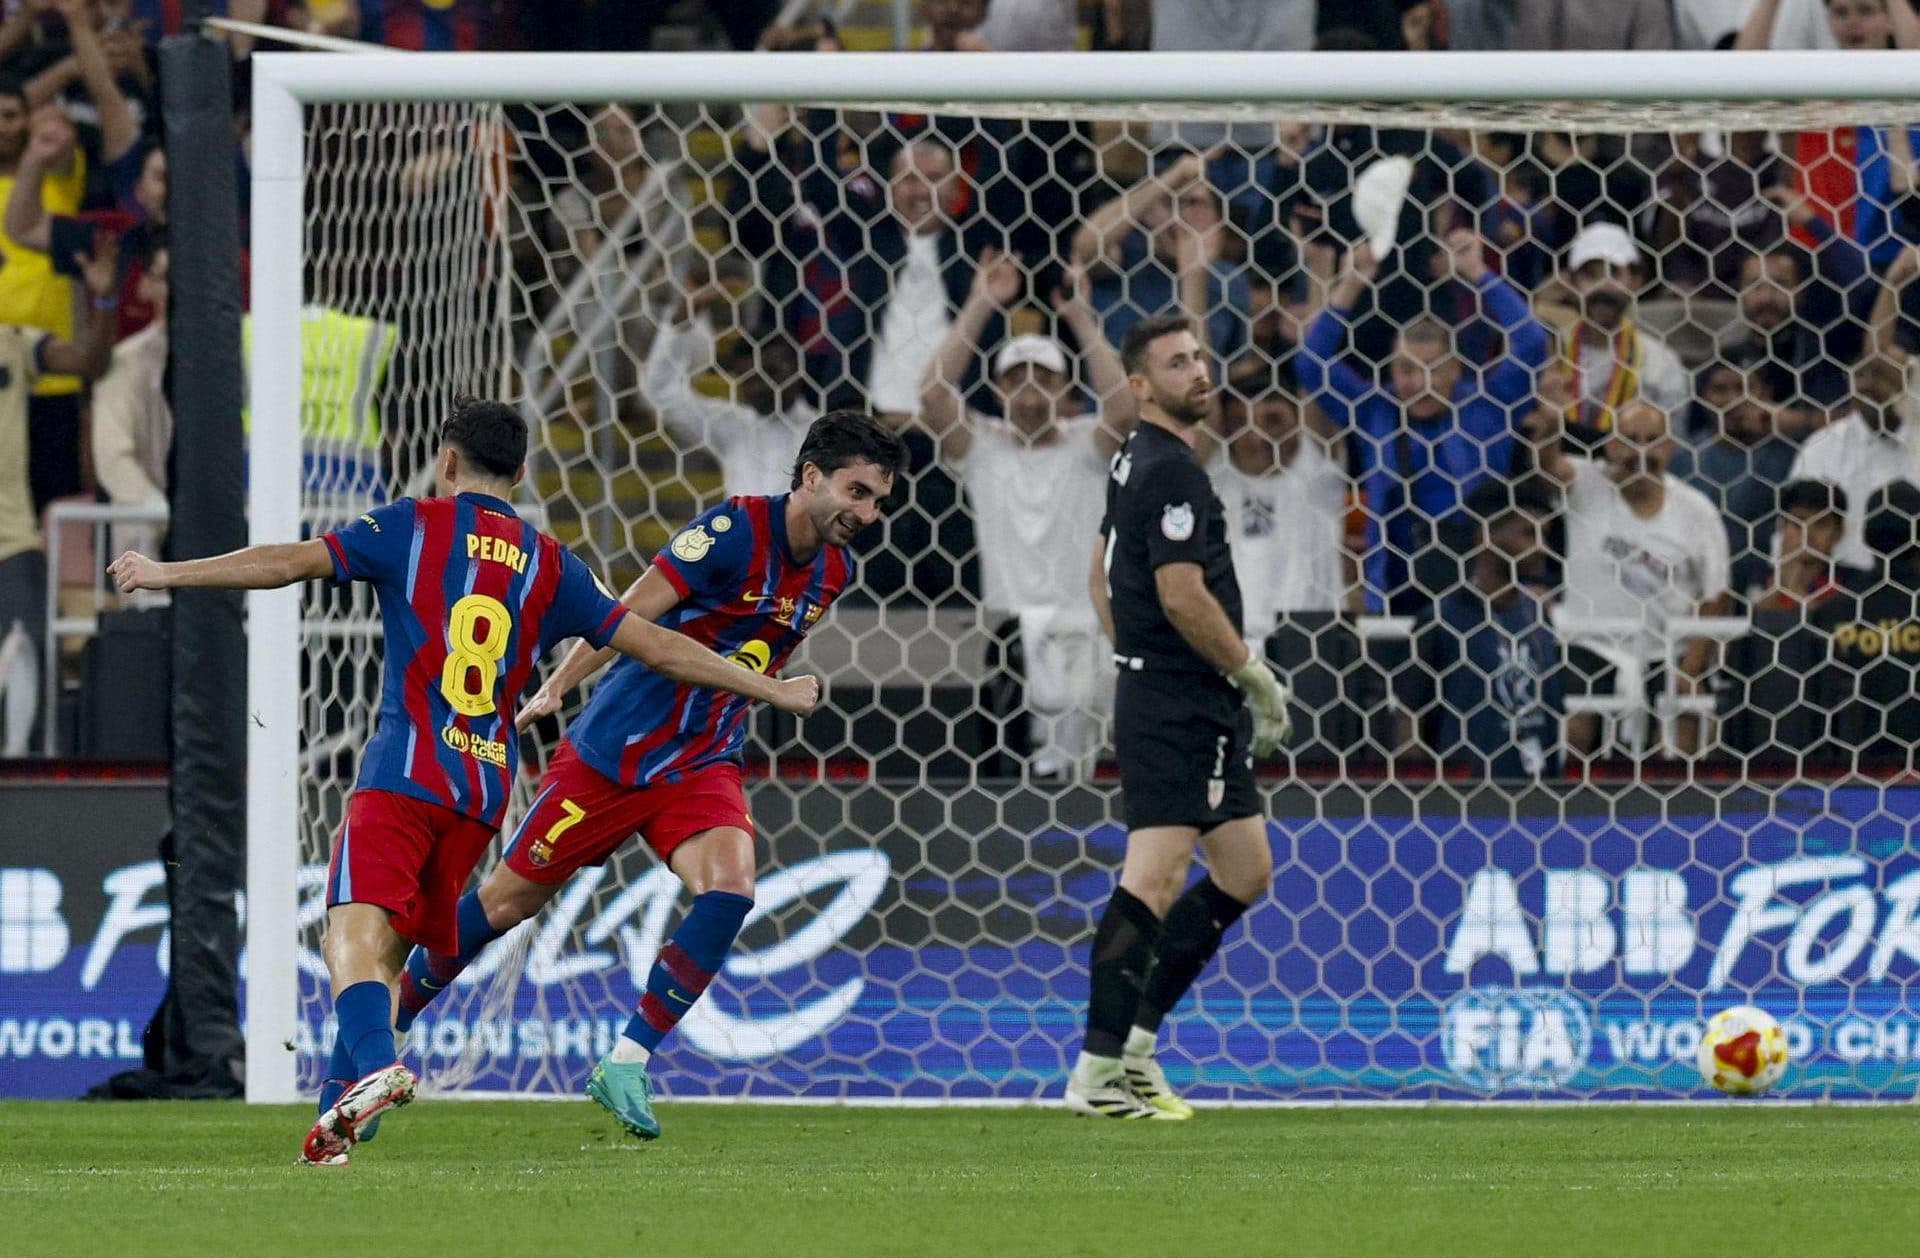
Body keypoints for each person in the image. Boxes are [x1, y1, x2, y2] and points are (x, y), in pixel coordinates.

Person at [105, 398, 822, 1163]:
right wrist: (773, 690)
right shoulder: (553, 562)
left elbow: (285, 563)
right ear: (520, 473)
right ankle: (332, 1134)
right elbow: (656, 646)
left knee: (349, 932)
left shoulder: (410, 525)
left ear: (447, 463)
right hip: (482, 794)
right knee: (386, 958)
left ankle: (379, 1071)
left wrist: (166, 572)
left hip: (405, 772)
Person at [387, 411, 906, 1143]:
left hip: (701, 761)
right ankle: (391, 1019)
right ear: (811, 476)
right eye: (857, 492)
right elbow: (625, 614)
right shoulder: (732, 532)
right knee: (504, 904)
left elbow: (751, 649)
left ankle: (626, 1061)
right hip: (615, 755)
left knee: (731, 890)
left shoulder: (832, 572)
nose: (866, 513)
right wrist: (559, 685)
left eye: (878, 501)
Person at [1066, 312, 1293, 1120]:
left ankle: (1132, 1049)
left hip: (1186, 696)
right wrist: (1249, 672)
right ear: (1139, 384)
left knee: (1245, 870)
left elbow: (1100, 577)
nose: (1198, 371)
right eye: (1175, 363)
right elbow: (1180, 591)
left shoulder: (1138, 460)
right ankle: (1096, 1072)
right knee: (1153, 877)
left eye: (1198, 357)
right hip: (1180, 702)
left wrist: (1136, 657)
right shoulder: (1170, 473)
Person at [917, 253, 1137, 775]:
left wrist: (1081, 319)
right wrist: (980, 304)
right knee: (1011, 775)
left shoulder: (1087, 444)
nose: (1031, 390)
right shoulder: (983, 448)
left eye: (1045, 379)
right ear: (998, 390)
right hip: (1007, 636)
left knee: (1082, 772)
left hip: (1084, 631)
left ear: (1067, 392)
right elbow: (931, 396)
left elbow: (1126, 410)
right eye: (1017, 379)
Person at [1298, 230, 1549, 613]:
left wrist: (1479, 274)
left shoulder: (1489, 408)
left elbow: (1532, 344)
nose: (1419, 384)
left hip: (1481, 597)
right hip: (1394, 599)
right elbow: (1310, 363)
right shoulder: (1374, 409)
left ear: (1456, 367)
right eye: (1406, 370)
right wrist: (1351, 284)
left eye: (1432, 369)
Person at [1528, 399, 1733, 758]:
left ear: (1670, 448)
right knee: (1575, 723)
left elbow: (1716, 594)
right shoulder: (1586, 484)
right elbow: (1546, 471)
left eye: (1652, 440)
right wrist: (1550, 426)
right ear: (1610, 445)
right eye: (1629, 439)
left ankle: (1673, 814)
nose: (1641, 451)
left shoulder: (1696, 510)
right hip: (1589, 645)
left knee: (1687, 728)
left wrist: (1692, 669)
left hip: (1667, 651)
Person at [0, 234, 118, 757]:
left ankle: (19, 778)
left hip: (11, 538)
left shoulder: (15, 342)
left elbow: (89, 362)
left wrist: (105, 300)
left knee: (26, 656)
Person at [1403, 482, 1564, 778]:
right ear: (1486, 535)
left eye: (1545, 535)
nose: (1543, 548)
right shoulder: (1441, 621)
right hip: (1469, 807)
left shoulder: (1538, 616)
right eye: (1529, 534)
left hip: (1543, 805)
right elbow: (1407, 721)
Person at [1209, 354, 1350, 626]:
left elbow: (1314, 368)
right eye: (1241, 422)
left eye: (1272, 420)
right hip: (1231, 641)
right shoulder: (1214, 476)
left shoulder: (1316, 473)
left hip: (1311, 643)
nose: (1257, 436)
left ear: (1297, 420)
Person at [643, 280, 815, 497]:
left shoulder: (824, 435)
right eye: (750, 379)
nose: (761, 386)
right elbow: (661, 392)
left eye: (771, 372)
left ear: (796, 368)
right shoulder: (732, 425)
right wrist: (679, 322)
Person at [1787, 354, 1920, 574]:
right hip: (1836, 588)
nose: (1869, 385)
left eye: (1881, 374)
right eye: (1860, 375)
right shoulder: (1821, 447)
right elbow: (1793, 533)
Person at [1555, 222, 1690, 432]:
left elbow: (1673, 444)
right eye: (1590, 275)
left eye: (1614, 273)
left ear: (1635, 282)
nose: (1603, 286)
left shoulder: (1662, 363)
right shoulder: (1553, 354)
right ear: (1571, 284)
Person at [1755, 479, 1848, 611]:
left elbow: (1837, 628)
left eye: (1820, 524)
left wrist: (1796, 590)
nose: (1807, 533)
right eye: (1798, 522)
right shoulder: (1759, 577)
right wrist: (1774, 592)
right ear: (1782, 527)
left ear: (1839, 533)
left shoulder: (1851, 583)